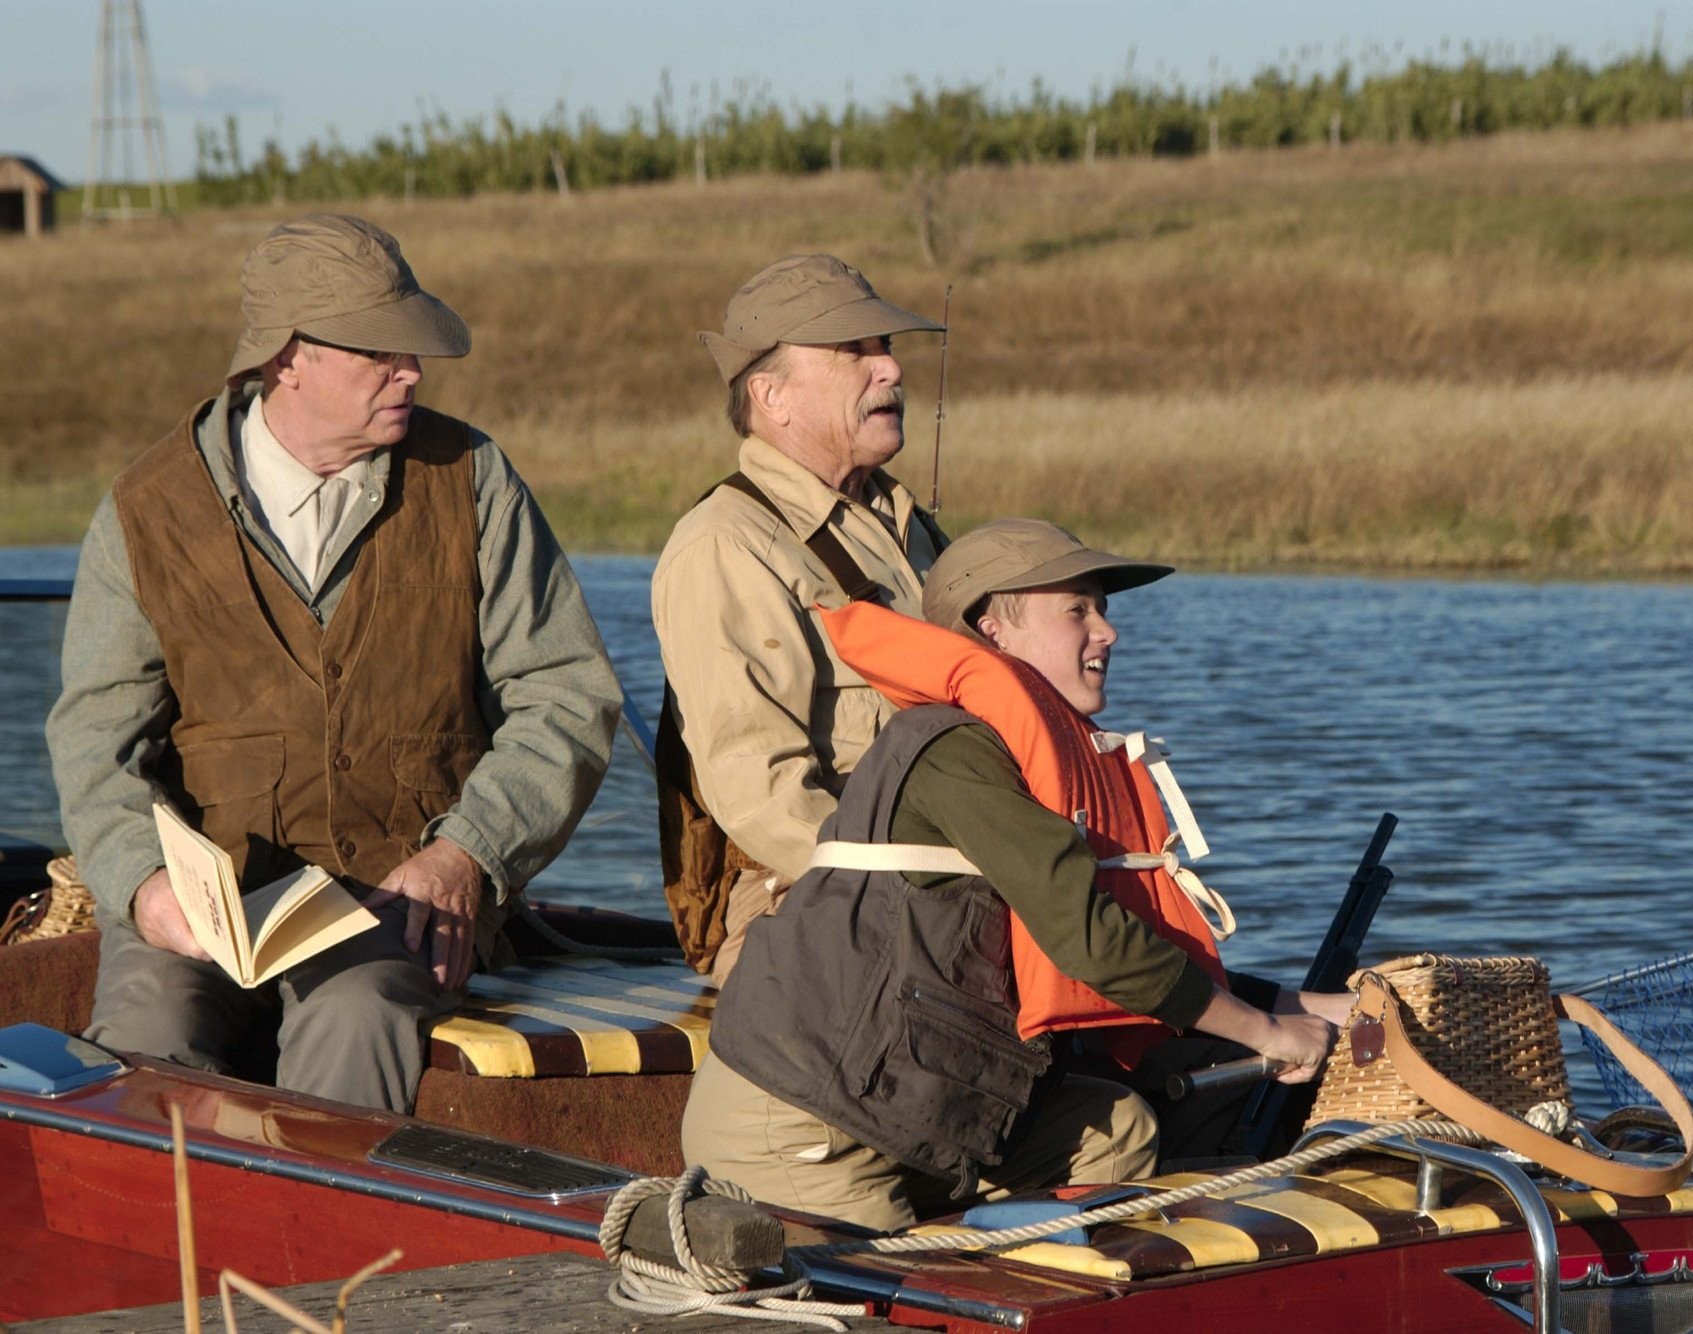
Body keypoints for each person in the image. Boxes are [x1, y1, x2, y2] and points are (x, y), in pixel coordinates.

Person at [46, 213, 622, 1114]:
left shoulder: (473, 480)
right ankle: (163, 1252)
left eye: (414, 350)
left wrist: (467, 855)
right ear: (287, 360)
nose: (413, 371)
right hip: (204, 908)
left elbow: (567, 696)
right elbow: (94, 743)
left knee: (355, 1014)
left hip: (403, 904)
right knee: (151, 1028)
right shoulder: (144, 512)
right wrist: (144, 887)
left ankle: (312, 1256)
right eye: (382, 352)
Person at [682, 518, 1348, 1231]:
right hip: (808, 1125)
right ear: (991, 629)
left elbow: (1135, 945)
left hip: (906, 1102)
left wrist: (1306, 1004)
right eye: (1077, 610)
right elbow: (1092, 944)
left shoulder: (1027, 755)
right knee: (882, 1298)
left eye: (1104, 609)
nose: (1108, 632)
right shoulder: (954, 749)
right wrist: (1269, 1035)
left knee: (1118, 1130)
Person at [650, 254, 946, 985]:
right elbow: (762, 795)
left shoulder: (908, 527)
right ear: (771, 395)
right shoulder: (725, 544)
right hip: (796, 901)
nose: (890, 370)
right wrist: (932, 886)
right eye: (856, 351)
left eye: (887, 347)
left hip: (940, 876)